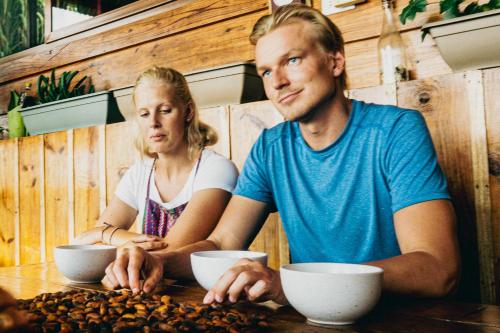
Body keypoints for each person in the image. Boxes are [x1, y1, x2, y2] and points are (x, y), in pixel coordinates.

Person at [101, 4, 460, 303]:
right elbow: (223, 242)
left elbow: (437, 269)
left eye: (292, 61)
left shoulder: (396, 131)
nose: (277, 82)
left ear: (335, 62)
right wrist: (158, 260)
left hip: (400, 318)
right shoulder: (271, 147)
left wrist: (287, 283)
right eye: (266, 71)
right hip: (309, 318)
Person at [74, 67, 238, 292]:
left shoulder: (216, 169)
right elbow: (90, 242)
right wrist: (103, 233)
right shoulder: (139, 172)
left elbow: (167, 251)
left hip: (206, 296)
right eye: (144, 114)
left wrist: (107, 235)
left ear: (188, 112)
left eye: (165, 110)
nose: (153, 122)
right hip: (150, 295)